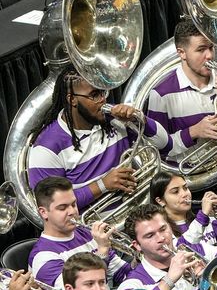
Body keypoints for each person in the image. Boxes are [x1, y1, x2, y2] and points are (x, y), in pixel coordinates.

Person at [27, 65, 169, 212]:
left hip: (142, 215)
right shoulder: (46, 147)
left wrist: (139, 119)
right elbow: (51, 206)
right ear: (72, 99)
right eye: (94, 94)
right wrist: (102, 185)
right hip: (91, 232)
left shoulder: (115, 118)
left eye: (103, 92)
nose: (103, 100)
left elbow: (166, 145)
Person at [28, 177, 132, 290]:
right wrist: (102, 253)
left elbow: (123, 273)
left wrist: (140, 257)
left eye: (73, 204)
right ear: (44, 212)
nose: (72, 212)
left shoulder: (85, 233)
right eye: (63, 208)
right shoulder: (43, 256)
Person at [147, 19, 217, 166]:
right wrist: (193, 132)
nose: (209, 55)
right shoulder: (162, 94)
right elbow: (156, 148)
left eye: (211, 47)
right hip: (191, 180)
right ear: (182, 53)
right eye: (201, 49)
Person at [149, 170, 217, 248]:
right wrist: (203, 216)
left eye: (185, 188)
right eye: (175, 191)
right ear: (160, 201)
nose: (184, 194)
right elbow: (180, 249)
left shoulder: (207, 221)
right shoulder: (161, 232)